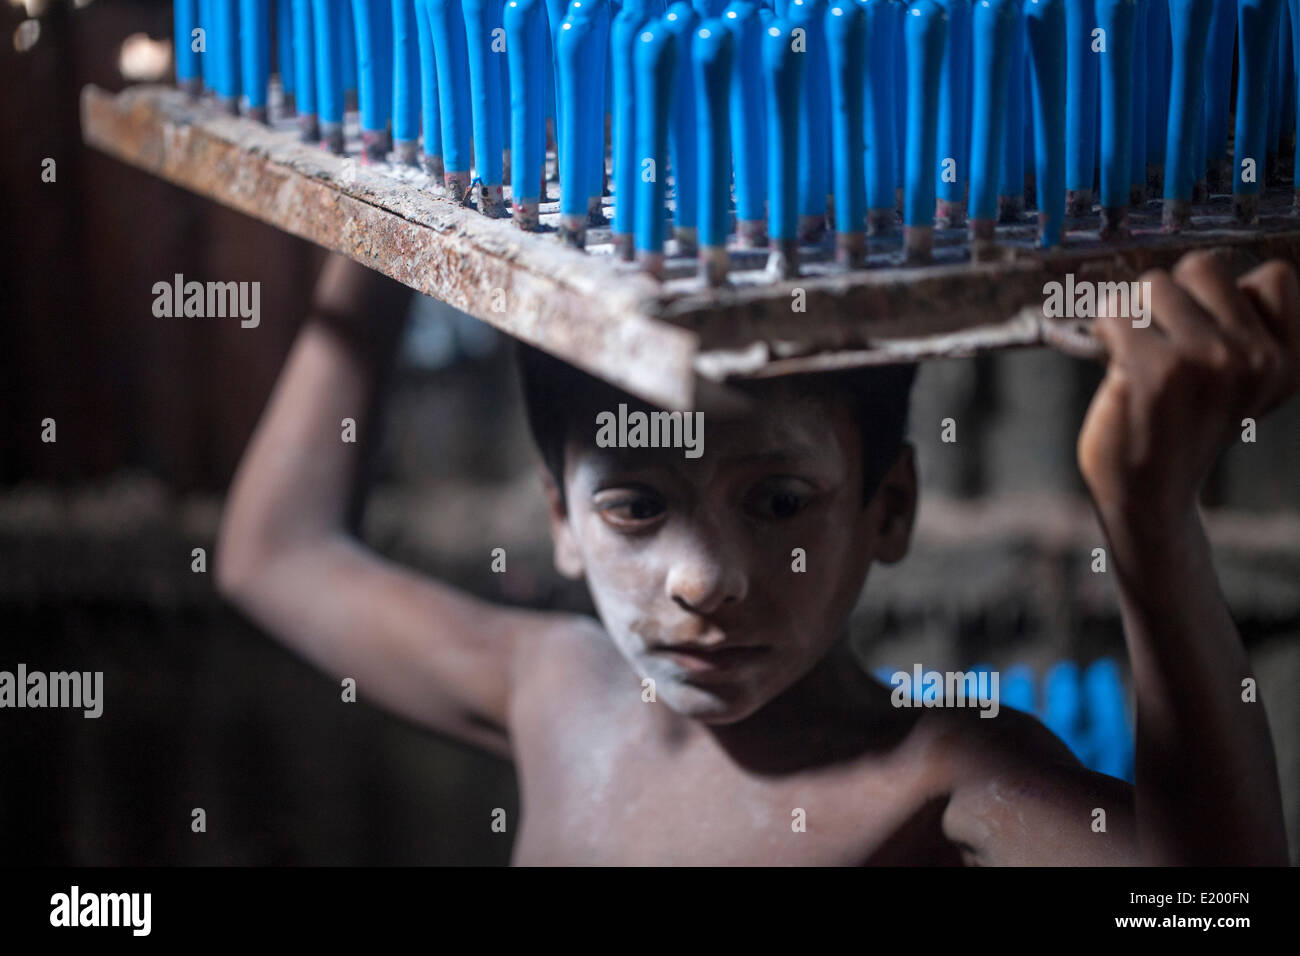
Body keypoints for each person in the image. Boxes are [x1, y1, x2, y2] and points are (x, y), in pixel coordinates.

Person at [216, 249, 1297, 864]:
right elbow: (273, 552)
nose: (705, 579)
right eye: (636, 506)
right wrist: (374, 219)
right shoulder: (555, 691)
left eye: (779, 500)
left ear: (889, 506)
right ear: (558, 511)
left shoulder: (938, 774)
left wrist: (1150, 521)